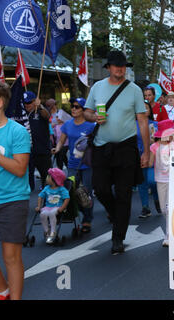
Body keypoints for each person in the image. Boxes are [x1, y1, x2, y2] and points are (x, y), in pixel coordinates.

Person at [84, 50, 150, 255]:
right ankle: (116, 214)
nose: (120, 68)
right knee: (100, 188)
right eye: (115, 65)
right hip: (102, 146)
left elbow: (142, 121)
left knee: (124, 194)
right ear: (108, 68)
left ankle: (118, 238)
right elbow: (86, 112)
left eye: (123, 65)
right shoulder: (97, 87)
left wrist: (146, 151)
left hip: (126, 147)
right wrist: (94, 117)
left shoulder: (134, 90)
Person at [0, 82, 31, 300]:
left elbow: (20, 168)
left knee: (11, 257)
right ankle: (3, 290)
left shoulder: (18, 131)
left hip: (13, 200)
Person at [53, 97, 96, 233]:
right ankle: (79, 213)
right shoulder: (67, 124)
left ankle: (87, 220)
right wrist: (57, 148)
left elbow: (97, 143)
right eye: (72, 106)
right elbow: (61, 140)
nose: (73, 109)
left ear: (84, 110)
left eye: (77, 107)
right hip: (72, 164)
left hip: (88, 164)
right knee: (71, 191)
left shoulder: (91, 126)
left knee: (86, 193)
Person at [149, 119, 174, 247]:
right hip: (160, 179)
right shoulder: (155, 146)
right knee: (163, 209)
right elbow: (151, 164)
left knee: (170, 208)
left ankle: (168, 235)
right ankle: (170, 229)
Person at [137, 100, 160, 218]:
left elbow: (155, 140)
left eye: (146, 108)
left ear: (150, 110)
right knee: (142, 183)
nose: (144, 110)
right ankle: (145, 207)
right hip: (138, 157)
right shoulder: (133, 124)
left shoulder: (153, 124)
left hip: (151, 156)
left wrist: (152, 139)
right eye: (141, 108)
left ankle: (157, 198)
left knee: (152, 181)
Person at [24, 91, 52, 191]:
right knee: (28, 176)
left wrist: (39, 106)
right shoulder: (22, 115)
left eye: (29, 102)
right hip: (27, 151)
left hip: (42, 150)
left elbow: (47, 116)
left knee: (48, 177)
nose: (27, 105)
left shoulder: (41, 111)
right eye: (25, 103)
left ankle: (50, 202)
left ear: (34, 101)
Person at [35, 168, 70, 244]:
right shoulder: (46, 188)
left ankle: (53, 231)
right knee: (42, 214)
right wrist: (39, 206)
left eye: (49, 176)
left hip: (57, 207)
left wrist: (62, 208)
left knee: (52, 213)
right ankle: (46, 230)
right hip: (48, 207)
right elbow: (40, 196)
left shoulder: (61, 189)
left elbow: (67, 198)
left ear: (55, 179)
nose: (47, 178)